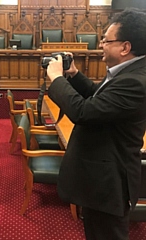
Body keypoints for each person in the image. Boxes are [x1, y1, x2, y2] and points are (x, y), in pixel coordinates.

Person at [46, 8, 146, 240]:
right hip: (99, 178)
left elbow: (83, 112)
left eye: (106, 40)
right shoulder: (127, 72)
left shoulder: (134, 81)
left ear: (125, 47)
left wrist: (56, 78)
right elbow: (98, 100)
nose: (101, 44)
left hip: (109, 183)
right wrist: (73, 75)